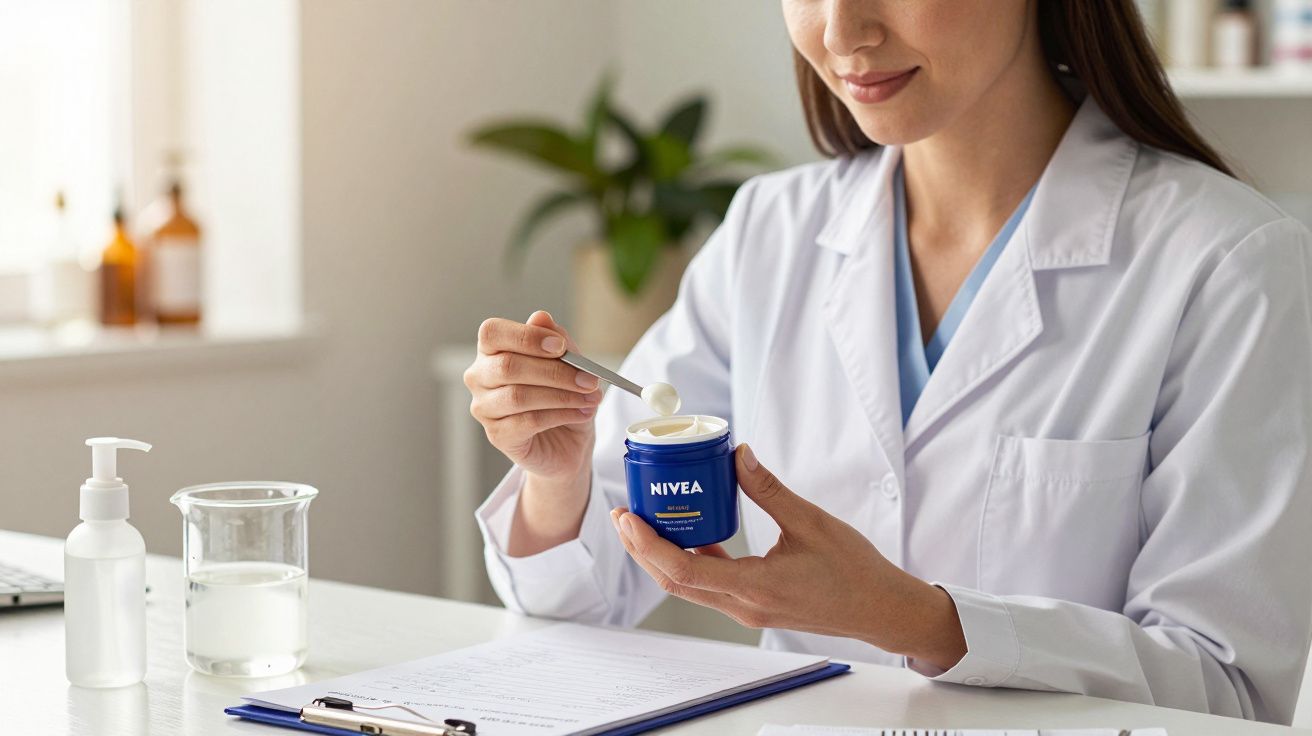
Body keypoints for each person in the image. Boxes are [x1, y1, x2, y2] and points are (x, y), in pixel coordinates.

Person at [463, 0, 1312, 724]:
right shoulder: (770, 231)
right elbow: (578, 602)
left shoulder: (1229, 262)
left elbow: (1226, 693)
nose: (842, 32)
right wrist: (557, 476)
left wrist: (919, 620)